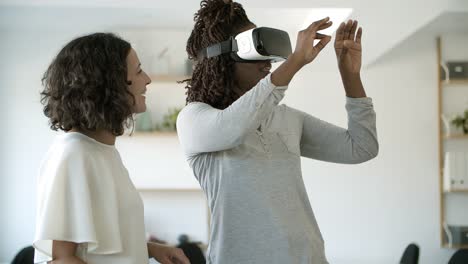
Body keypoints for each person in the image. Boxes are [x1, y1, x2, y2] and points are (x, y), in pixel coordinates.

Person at [176, 1, 379, 263]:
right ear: (222, 58)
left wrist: (350, 76)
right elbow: (232, 128)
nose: (268, 62)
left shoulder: (285, 118)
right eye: (254, 49)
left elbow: (361, 147)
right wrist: (294, 62)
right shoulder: (194, 119)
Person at [34, 33, 190, 264]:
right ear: (109, 82)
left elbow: (94, 243)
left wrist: (148, 248)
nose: (147, 79)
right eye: (138, 71)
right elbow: (62, 260)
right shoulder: (74, 155)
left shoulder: (100, 152)